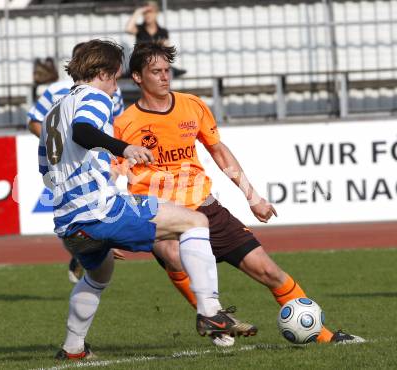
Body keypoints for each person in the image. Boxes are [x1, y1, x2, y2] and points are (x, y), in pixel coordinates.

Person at [114, 41, 365, 347]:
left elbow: (218, 151)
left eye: (167, 70)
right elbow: (112, 173)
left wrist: (252, 196)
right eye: (156, 72)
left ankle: (325, 336)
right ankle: (212, 318)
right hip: (160, 212)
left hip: (205, 208)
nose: (165, 77)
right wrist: (107, 230)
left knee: (269, 271)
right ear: (138, 77)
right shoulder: (124, 123)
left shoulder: (192, 106)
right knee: (172, 255)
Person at [38, 39, 257, 360]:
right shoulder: (95, 97)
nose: (116, 86)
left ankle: (72, 349)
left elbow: (45, 167)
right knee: (194, 220)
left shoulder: (54, 111)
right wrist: (123, 148)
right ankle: (211, 310)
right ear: (103, 72)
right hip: (98, 210)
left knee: (99, 274)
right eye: (115, 76)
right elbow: (84, 132)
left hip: (68, 218)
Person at [28, 42, 125, 283]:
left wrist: (119, 155)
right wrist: (61, 145)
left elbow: (118, 124)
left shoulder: (113, 90)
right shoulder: (56, 90)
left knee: (103, 204)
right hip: (68, 163)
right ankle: (94, 244)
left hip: (101, 157)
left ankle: (95, 244)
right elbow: (34, 121)